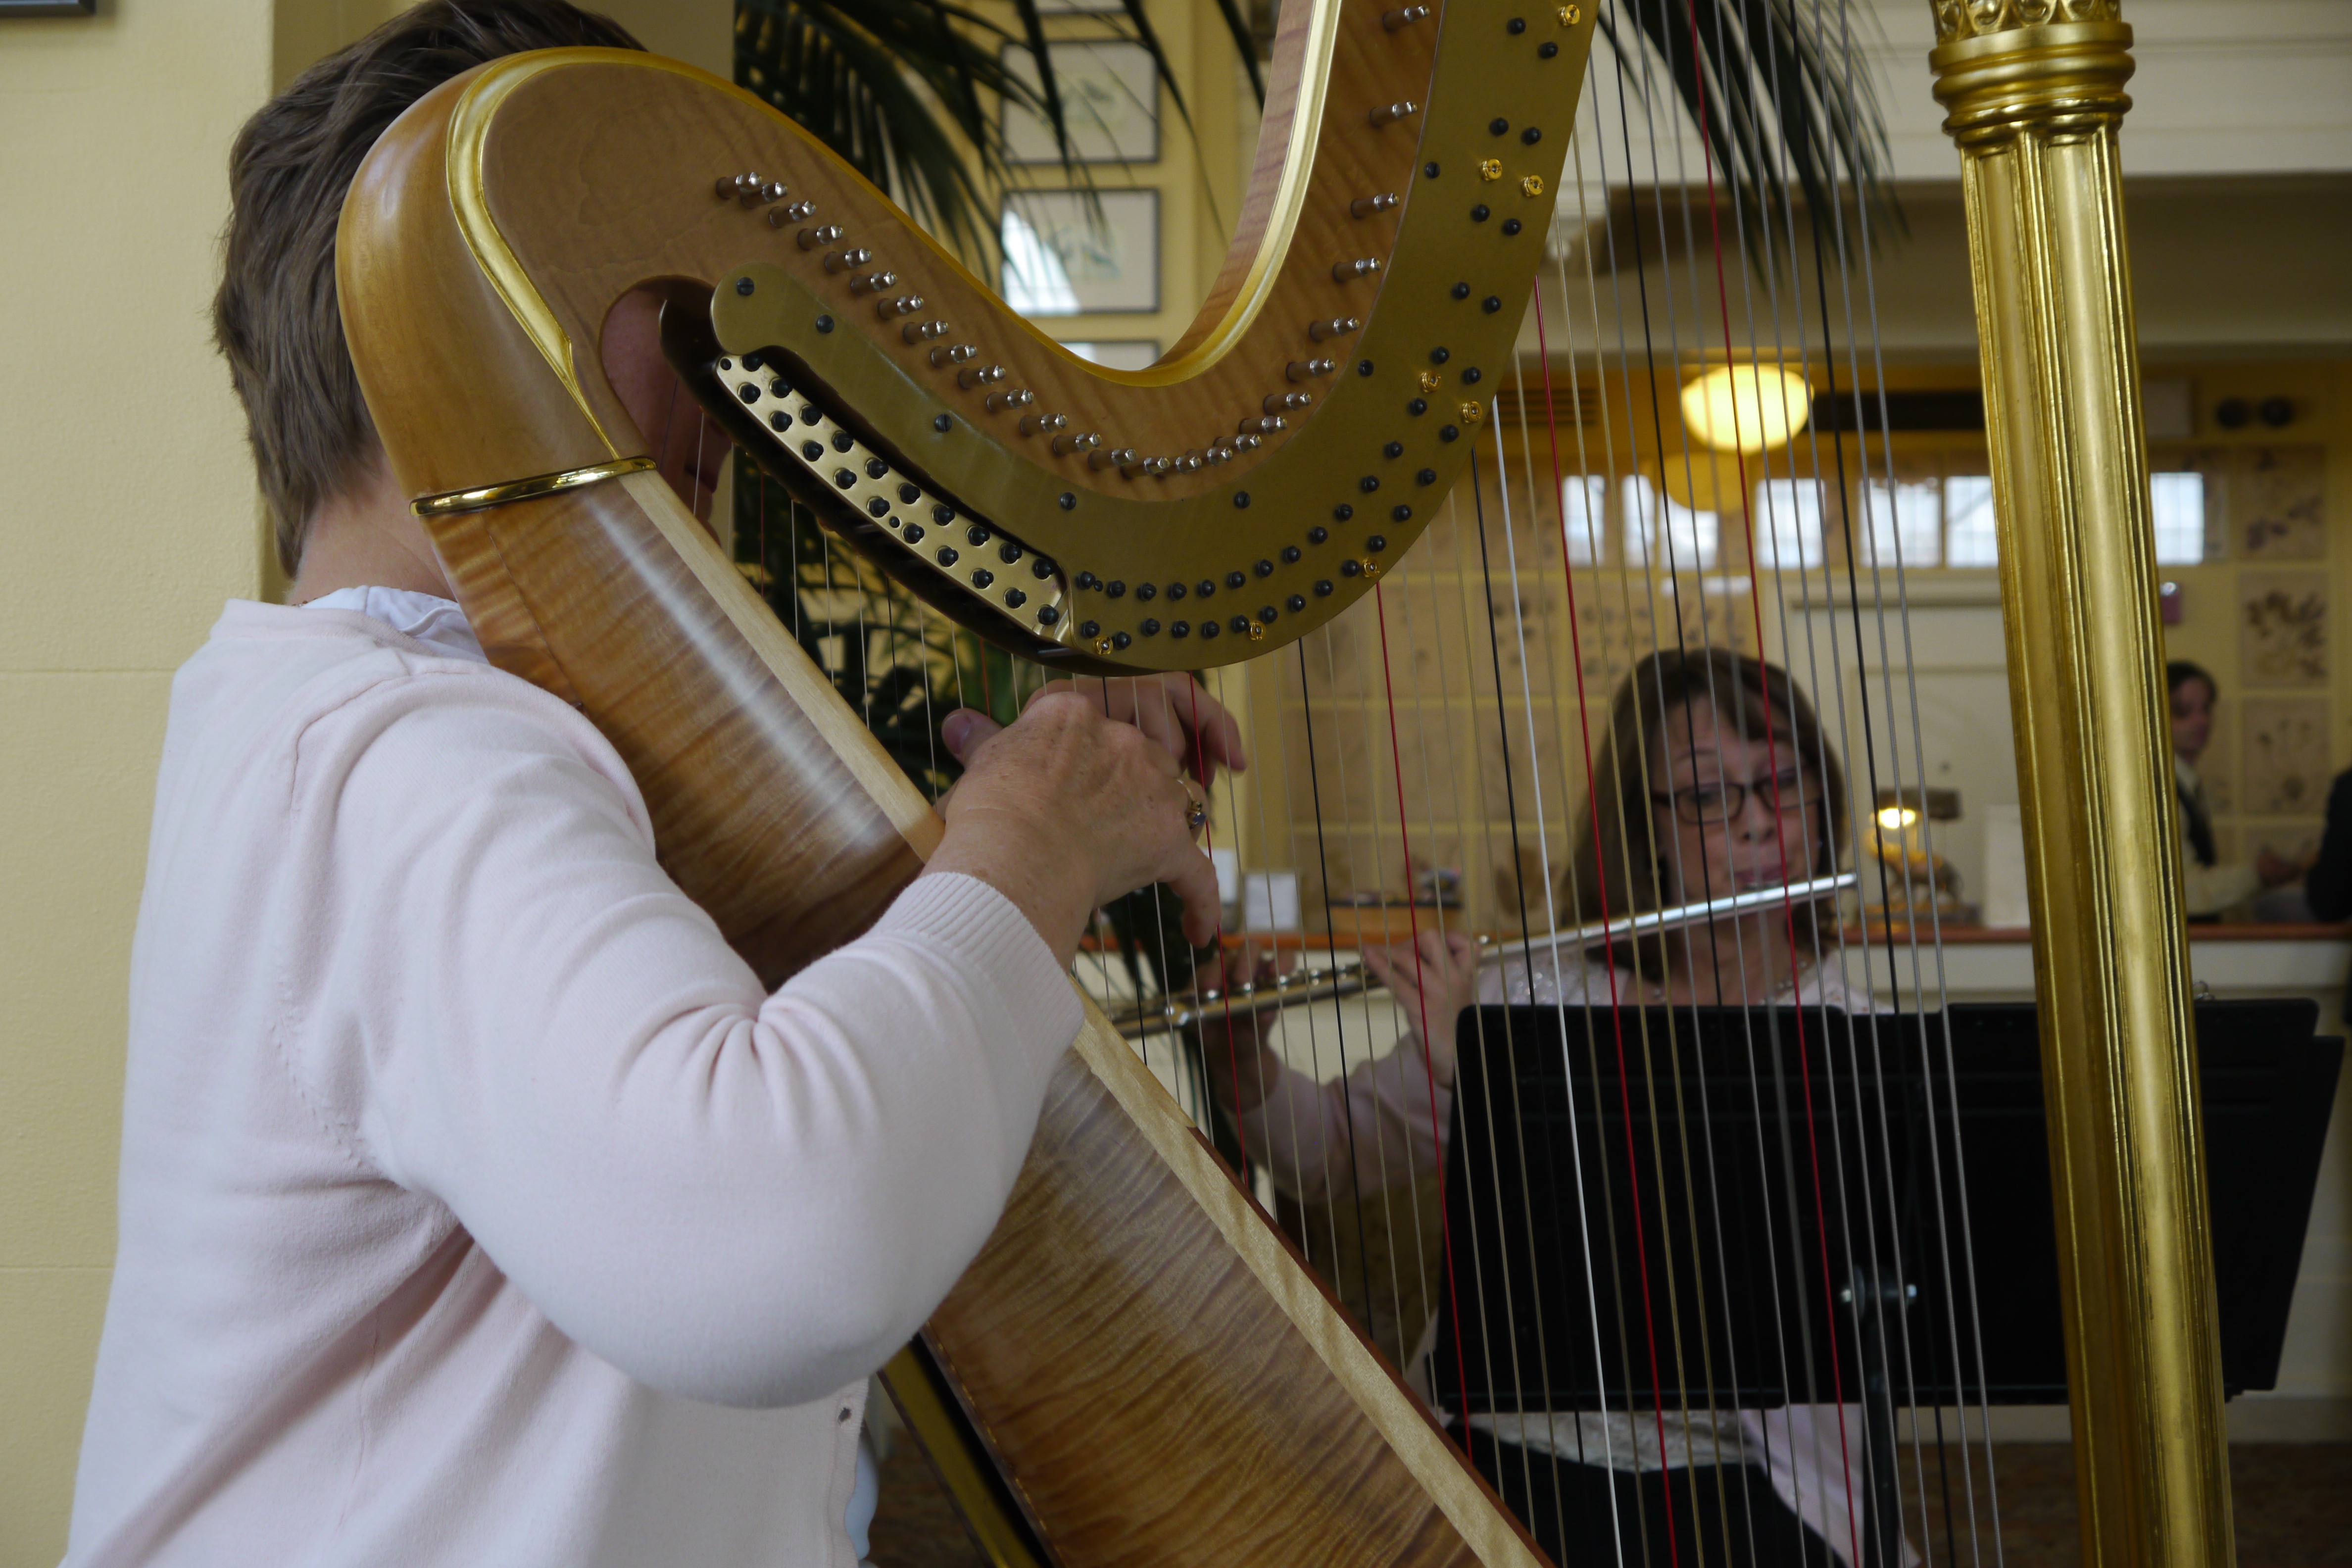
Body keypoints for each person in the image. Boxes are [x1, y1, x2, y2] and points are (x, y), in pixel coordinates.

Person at [63, 6, 1242, 1565]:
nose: (727, 369)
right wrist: (1026, 839)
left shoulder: (368, 722)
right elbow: (787, 1237)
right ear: (458, 312)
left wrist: (1041, 812)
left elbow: (722, 1087)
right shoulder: (405, 755)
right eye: (661, 291)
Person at [1202, 649, 1906, 1568]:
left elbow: (1730, 1279)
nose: (1756, 824)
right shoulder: (1537, 996)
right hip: (1501, 1451)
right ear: (1643, 828)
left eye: (1782, 781)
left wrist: (1490, 1089)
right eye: (1704, 795)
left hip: (1750, 1479)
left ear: (1824, 807)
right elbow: (1329, 1152)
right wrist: (1247, 1063)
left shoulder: (1864, 1045)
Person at [2167, 660, 2304, 919]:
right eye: (2183, 711)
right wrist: (2257, 874)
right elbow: (2182, 891)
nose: (2202, 721)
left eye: (2206, 709)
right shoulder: (2160, 791)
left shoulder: (2186, 783)